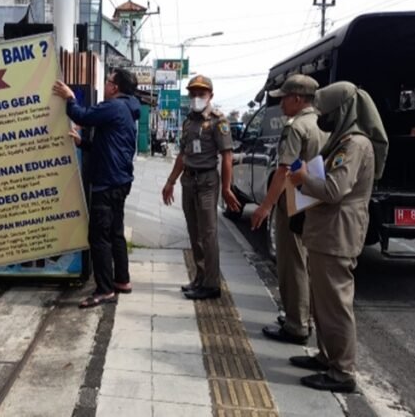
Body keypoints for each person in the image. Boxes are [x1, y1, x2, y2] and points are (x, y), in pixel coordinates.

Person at [287, 81, 388, 392]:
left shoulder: (354, 145)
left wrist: (303, 178)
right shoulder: (342, 140)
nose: (322, 118)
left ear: (342, 111)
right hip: (326, 233)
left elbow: (334, 189)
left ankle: (342, 372)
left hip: (338, 235)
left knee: (336, 305)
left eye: (326, 112)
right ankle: (326, 357)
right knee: (323, 303)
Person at [52, 69, 140, 308]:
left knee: (98, 236)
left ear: (115, 87)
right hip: (119, 181)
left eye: (109, 81)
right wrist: (84, 143)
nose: (106, 83)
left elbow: (82, 115)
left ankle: (105, 290)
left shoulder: (114, 107)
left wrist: (70, 96)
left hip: (108, 182)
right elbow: (109, 145)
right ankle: (122, 280)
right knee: (115, 233)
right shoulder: (127, 109)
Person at [251, 74, 326, 345]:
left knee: (291, 262)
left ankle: (296, 325)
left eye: (283, 98)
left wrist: (265, 207)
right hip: (316, 200)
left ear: (296, 99)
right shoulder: (324, 123)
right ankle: (303, 316)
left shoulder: (295, 127)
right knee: (307, 262)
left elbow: (283, 171)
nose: (280, 104)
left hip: (294, 202)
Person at [162, 75, 241, 300]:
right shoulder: (188, 122)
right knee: (194, 231)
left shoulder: (219, 121)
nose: (196, 98)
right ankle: (200, 277)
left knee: (208, 233)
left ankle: (212, 284)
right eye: (193, 94)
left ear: (210, 96)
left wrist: (226, 189)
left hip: (207, 182)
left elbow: (227, 156)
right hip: (189, 180)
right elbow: (183, 155)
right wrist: (170, 181)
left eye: (201, 94)